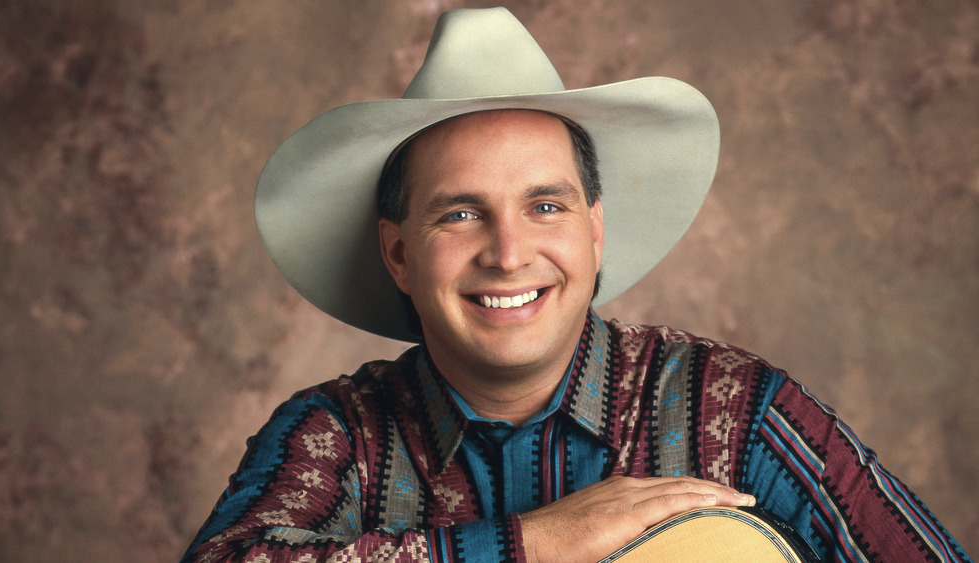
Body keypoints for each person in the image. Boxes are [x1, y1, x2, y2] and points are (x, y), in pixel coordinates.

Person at [181, 8, 971, 562]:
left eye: (545, 205)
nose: (508, 251)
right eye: (461, 213)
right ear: (397, 256)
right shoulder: (338, 437)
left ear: (593, 232)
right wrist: (537, 543)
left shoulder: (736, 414)